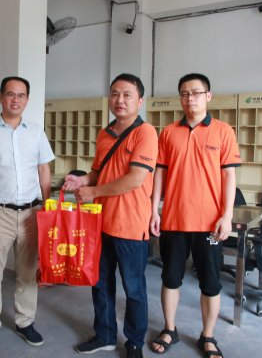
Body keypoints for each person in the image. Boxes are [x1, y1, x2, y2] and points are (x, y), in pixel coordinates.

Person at [63, 73, 158, 358]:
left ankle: (134, 342)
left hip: (131, 226)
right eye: (115, 94)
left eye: (127, 95)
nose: (120, 100)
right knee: (100, 283)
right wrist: (82, 181)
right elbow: (98, 172)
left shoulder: (146, 133)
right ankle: (104, 334)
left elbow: (135, 179)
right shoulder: (105, 134)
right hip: (100, 224)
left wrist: (93, 192)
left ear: (140, 101)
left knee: (133, 289)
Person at [148, 73, 241, 357]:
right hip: (174, 221)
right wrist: (153, 209)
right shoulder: (168, 133)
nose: (190, 98)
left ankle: (208, 336)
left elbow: (229, 176)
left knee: (211, 283)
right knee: (170, 278)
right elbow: (159, 174)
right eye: (185, 94)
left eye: (196, 93)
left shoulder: (223, 131)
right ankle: (169, 329)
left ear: (208, 96)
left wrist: (227, 216)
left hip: (209, 225)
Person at [0, 76, 54, 355]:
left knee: (28, 273)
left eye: (21, 95)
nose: (15, 99)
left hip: (31, 212)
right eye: (10, 94)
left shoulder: (36, 132)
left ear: (27, 100)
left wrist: (47, 206)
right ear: (1, 97)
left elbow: (44, 169)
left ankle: (24, 322)